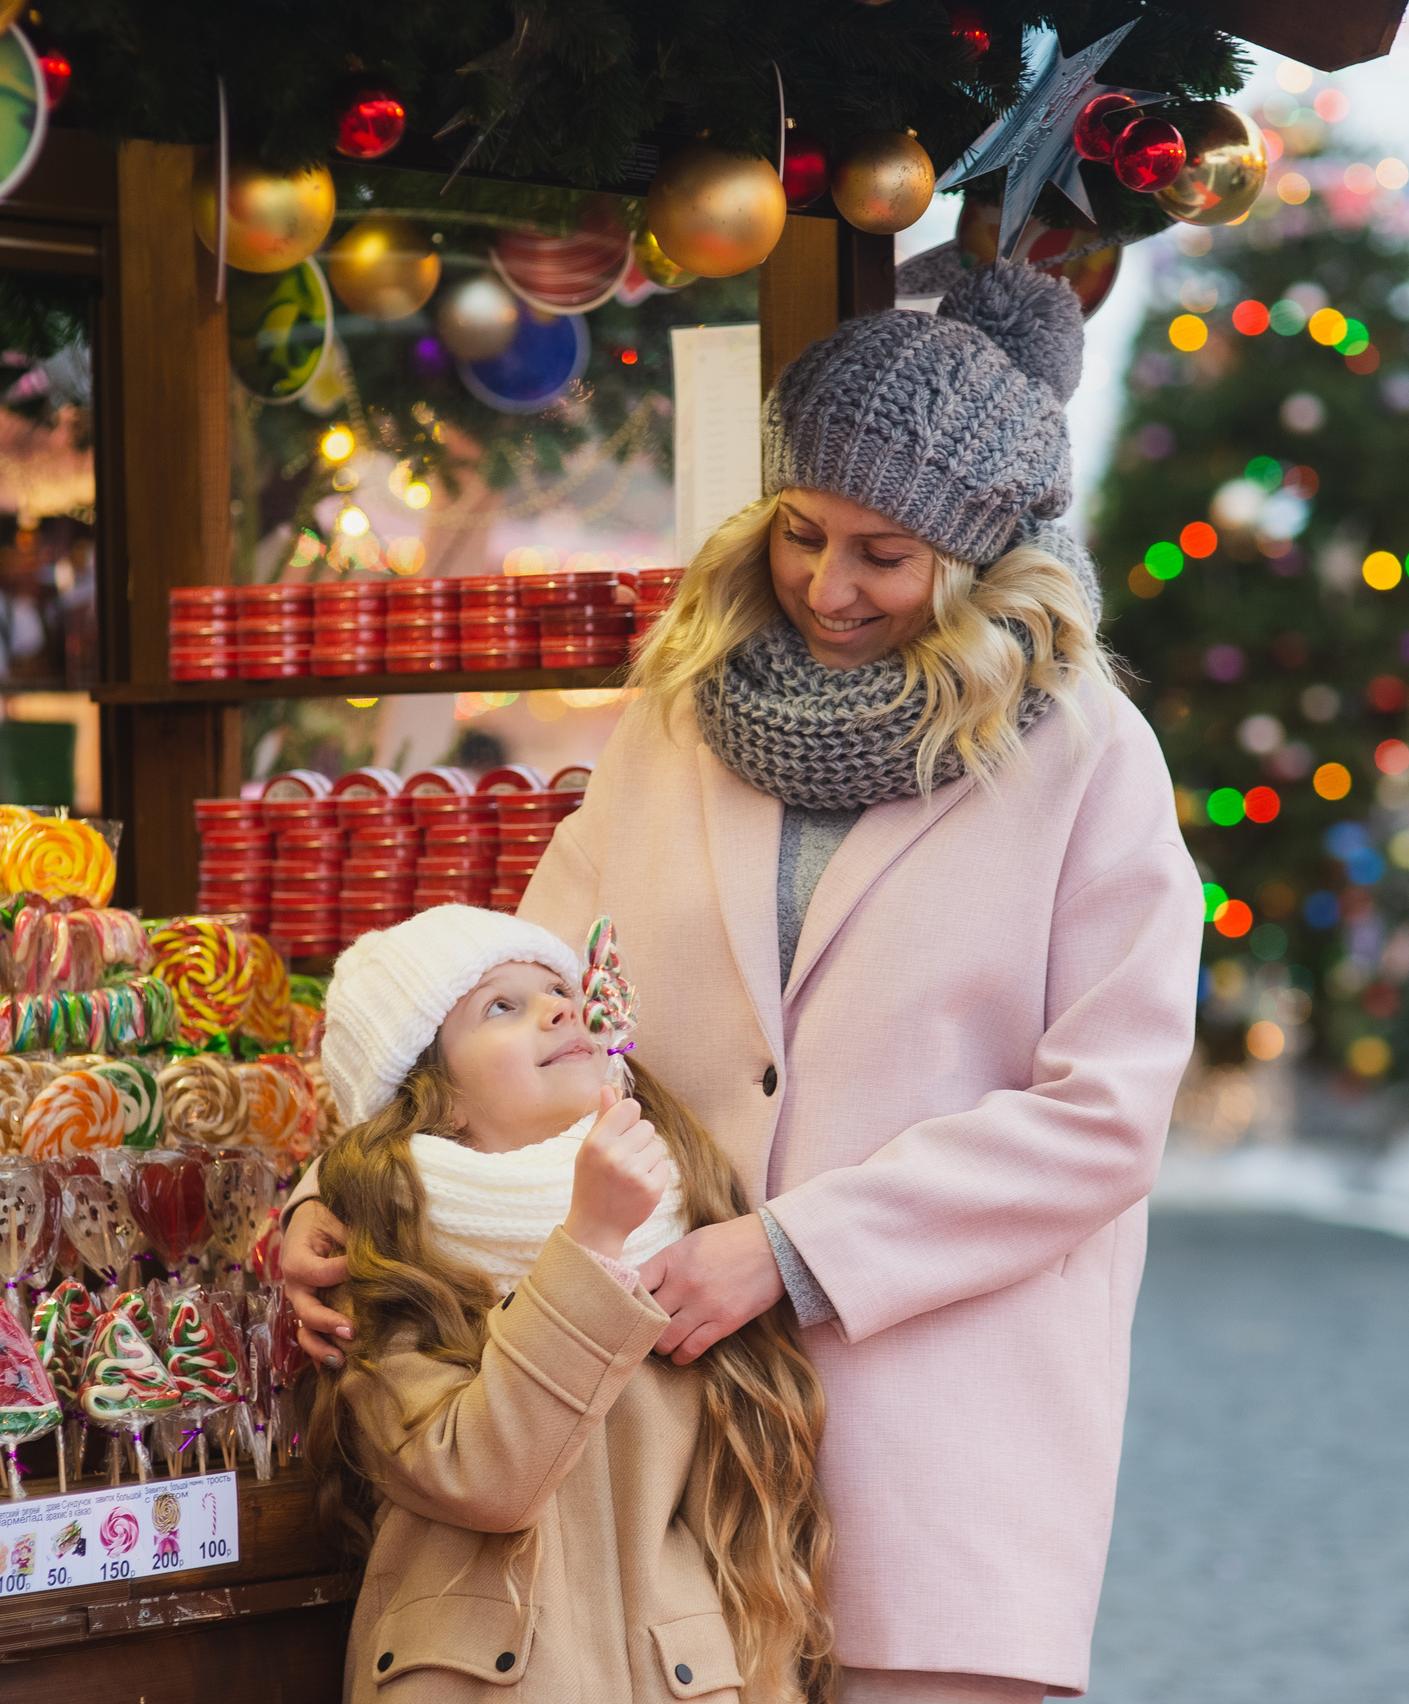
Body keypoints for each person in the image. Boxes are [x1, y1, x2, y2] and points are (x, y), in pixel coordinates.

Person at [285, 261, 1203, 1701]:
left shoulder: (1083, 754)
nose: (827, 586)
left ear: (977, 561)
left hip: (943, 1457)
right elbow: (509, 1006)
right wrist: (330, 1208)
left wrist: (788, 1250)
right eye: (799, 532)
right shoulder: (677, 717)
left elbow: (1107, 1116)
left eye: (883, 556)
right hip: (670, 1509)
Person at [302, 905, 833, 1701]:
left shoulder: (680, 1235)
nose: (559, 1006)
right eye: (501, 1007)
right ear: (437, 1100)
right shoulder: (392, 1264)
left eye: (559, 988)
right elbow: (484, 1477)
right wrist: (586, 1244)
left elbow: (746, 1541)